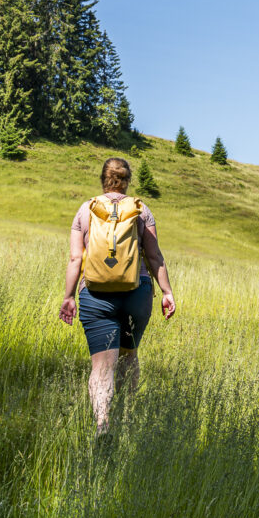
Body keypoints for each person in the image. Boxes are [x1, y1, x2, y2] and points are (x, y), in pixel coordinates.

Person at [59, 157, 177, 433]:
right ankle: (125, 420)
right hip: (137, 294)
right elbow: (154, 255)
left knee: (102, 364)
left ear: (103, 178)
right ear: (127, 181)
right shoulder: (140, 209)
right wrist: (167, 292)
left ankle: (102, 423)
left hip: (95, 294)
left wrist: (68, 297)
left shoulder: (85, 210)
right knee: (128, 356)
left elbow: (76, 259)